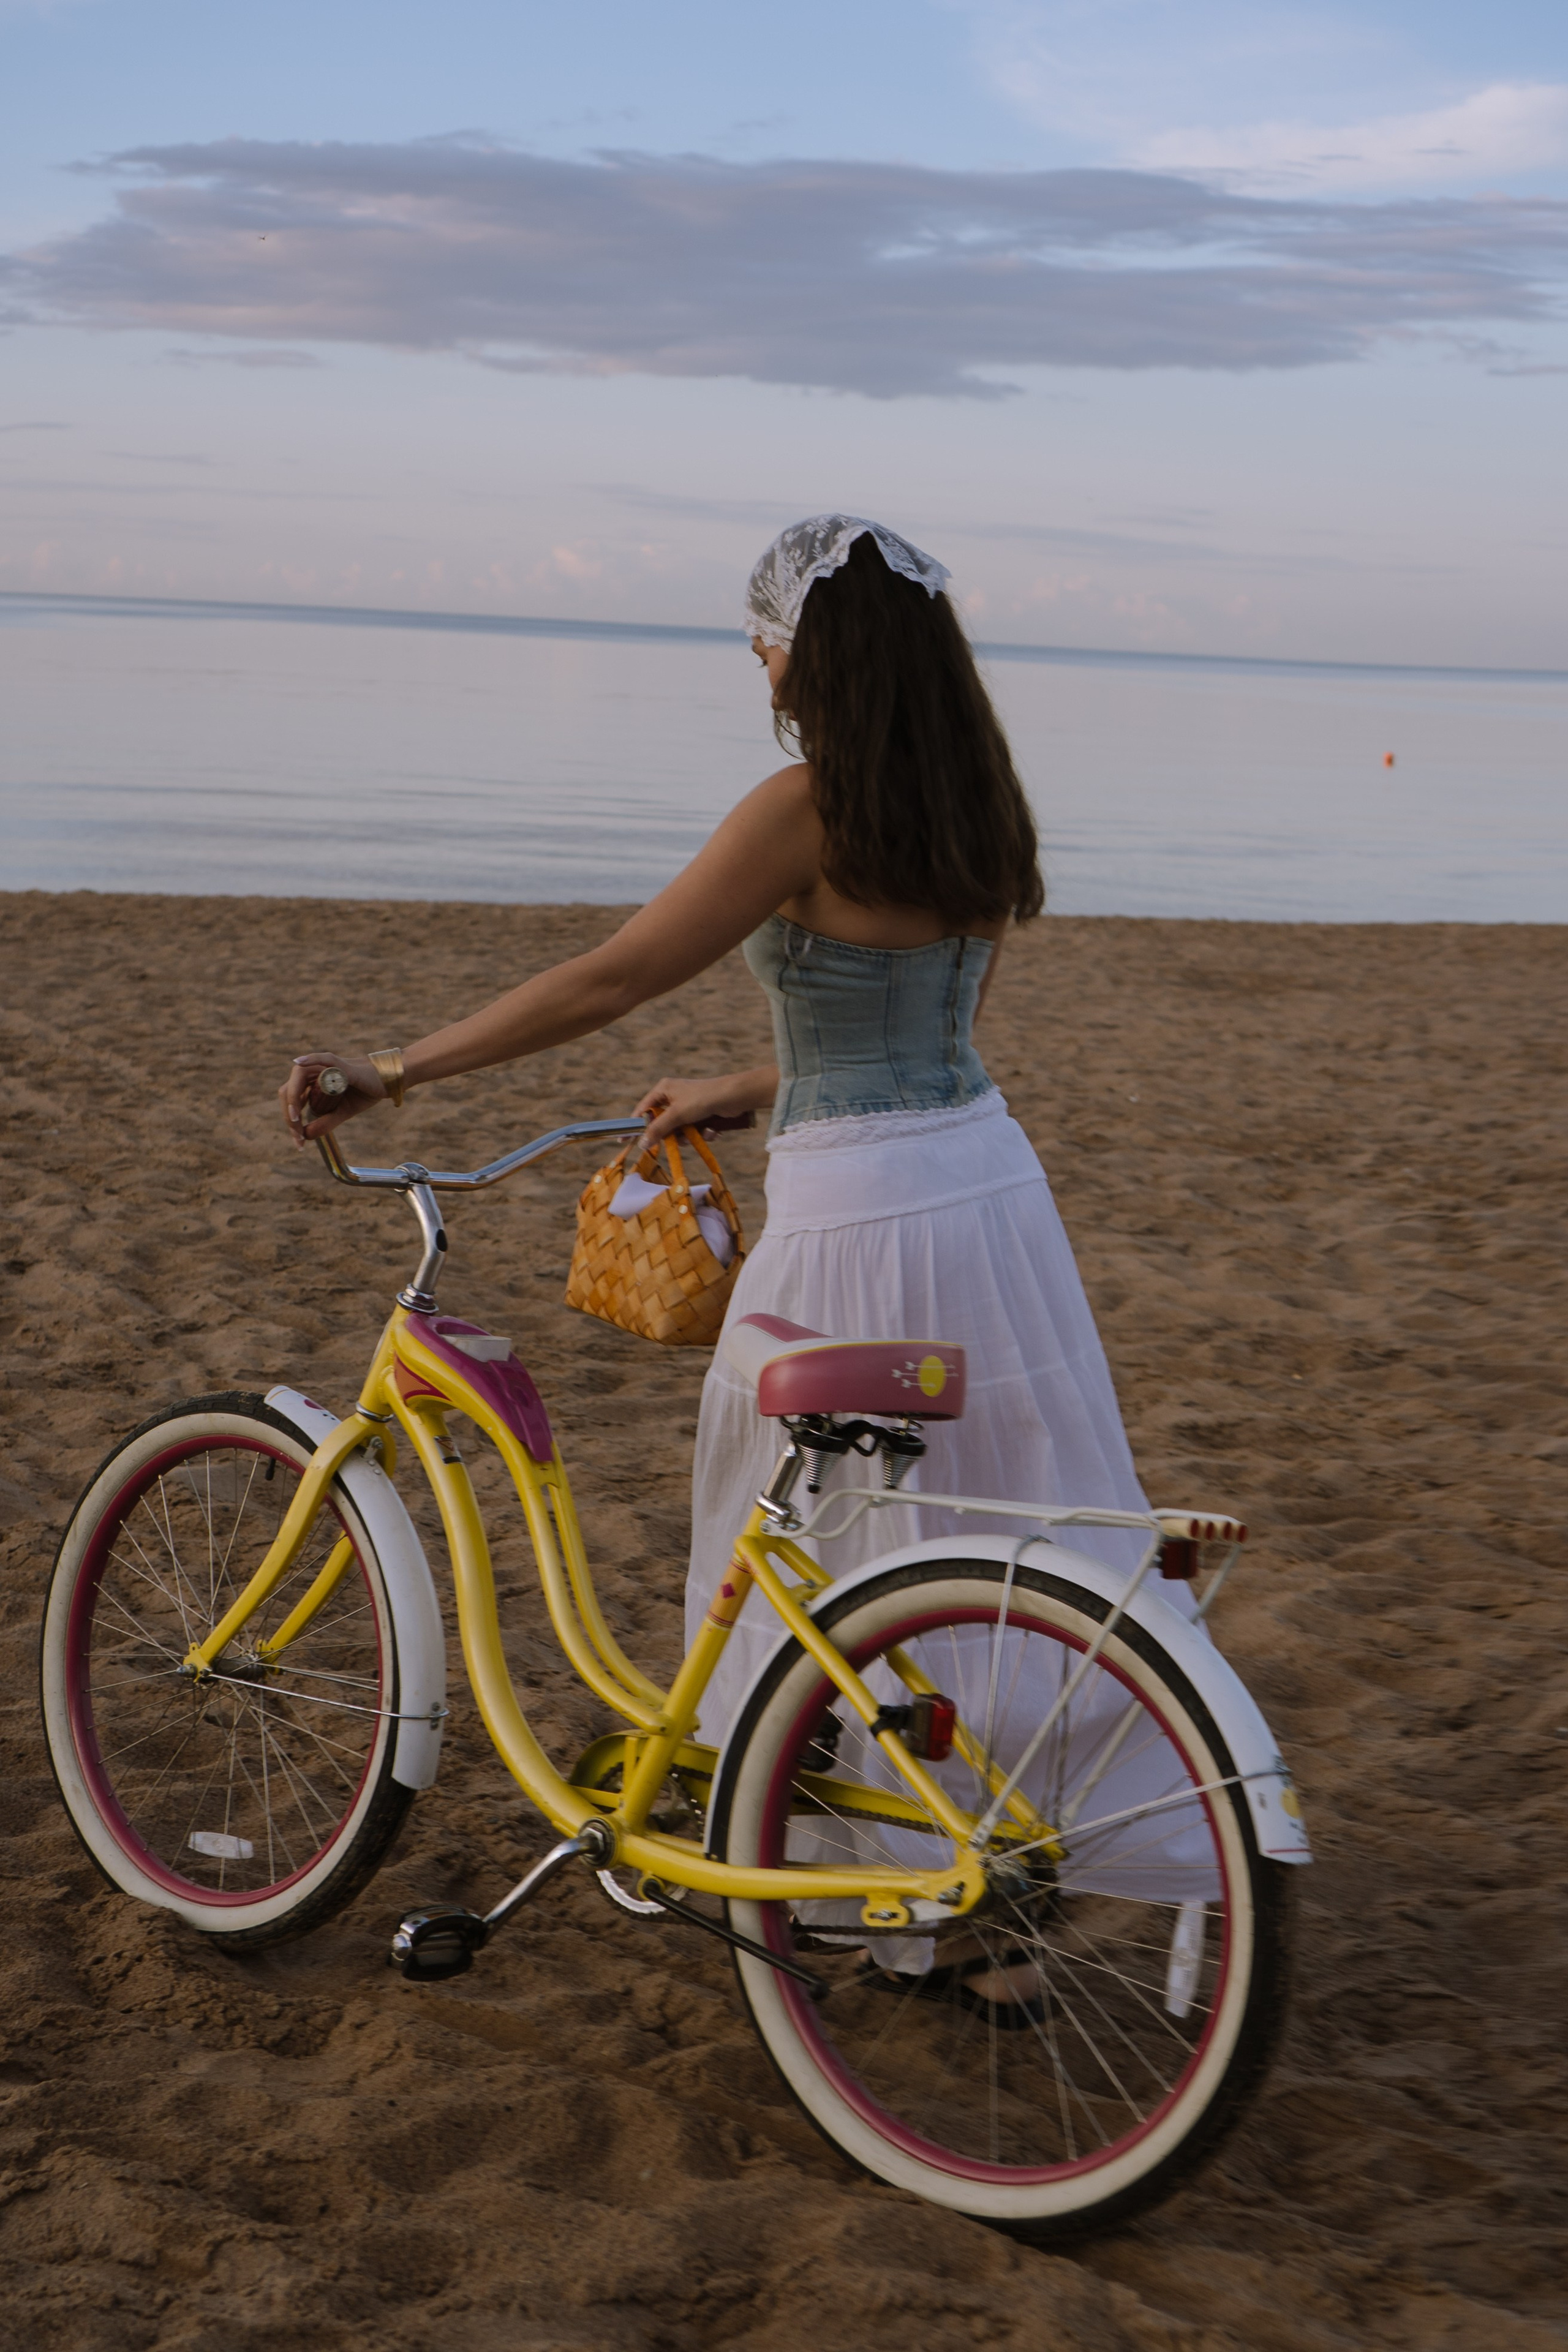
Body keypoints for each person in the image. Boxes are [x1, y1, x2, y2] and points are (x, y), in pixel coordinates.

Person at [281, 513, 1161, 2017]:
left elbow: (612, 974)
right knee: (989, 1528)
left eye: (762, 633)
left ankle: (830, 1878)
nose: (752, 658)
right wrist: (742, 1087)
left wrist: (394, 1066)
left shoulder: (802, 809)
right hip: (986, 1192)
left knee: (811, 1537)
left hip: (855, 1217)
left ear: (811, 656)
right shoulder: (981, 804)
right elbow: (930, 1032)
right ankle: (992, 1864)